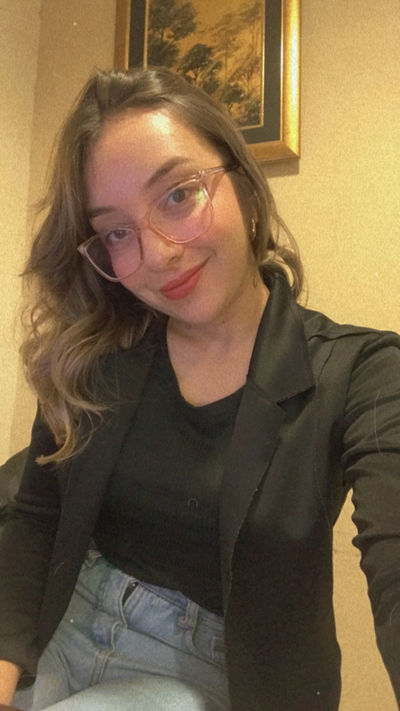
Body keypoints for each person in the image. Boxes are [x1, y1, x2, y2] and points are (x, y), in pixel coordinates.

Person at [0, 66, 399, 711]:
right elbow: (36, 513)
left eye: (179, 195)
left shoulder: (360, 371)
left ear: (243, 182)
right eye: (117, 233)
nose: (157, 254)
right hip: (60, 619)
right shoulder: (103, 348)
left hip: (207, 667)